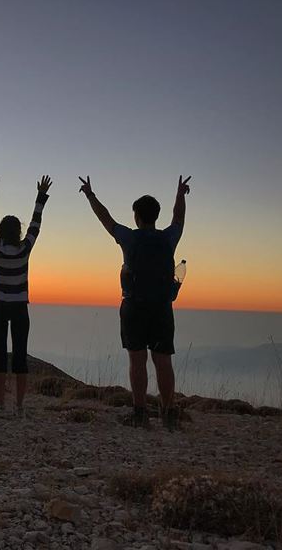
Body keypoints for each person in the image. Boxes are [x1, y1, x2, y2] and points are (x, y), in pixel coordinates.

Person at [79, 175, 191, 430]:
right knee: (163, 361)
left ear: (136, 216)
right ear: (155, 216)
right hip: (162, 308)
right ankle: (168, 413)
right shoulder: (168, 239)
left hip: (134, 308)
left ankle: (140, 413)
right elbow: (179, 219)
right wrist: (180, 195)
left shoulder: (129, 238)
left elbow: (105, 219)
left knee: (137, 360)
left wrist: (90, 195)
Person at [0, 171, 52, 417]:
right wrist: (40, 197)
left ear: (1, 231)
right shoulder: (24, 250)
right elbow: (36, 225)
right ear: (18, 232)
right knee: (20, 355)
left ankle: (0, 405)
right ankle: (20, 407)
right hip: (20, 307)